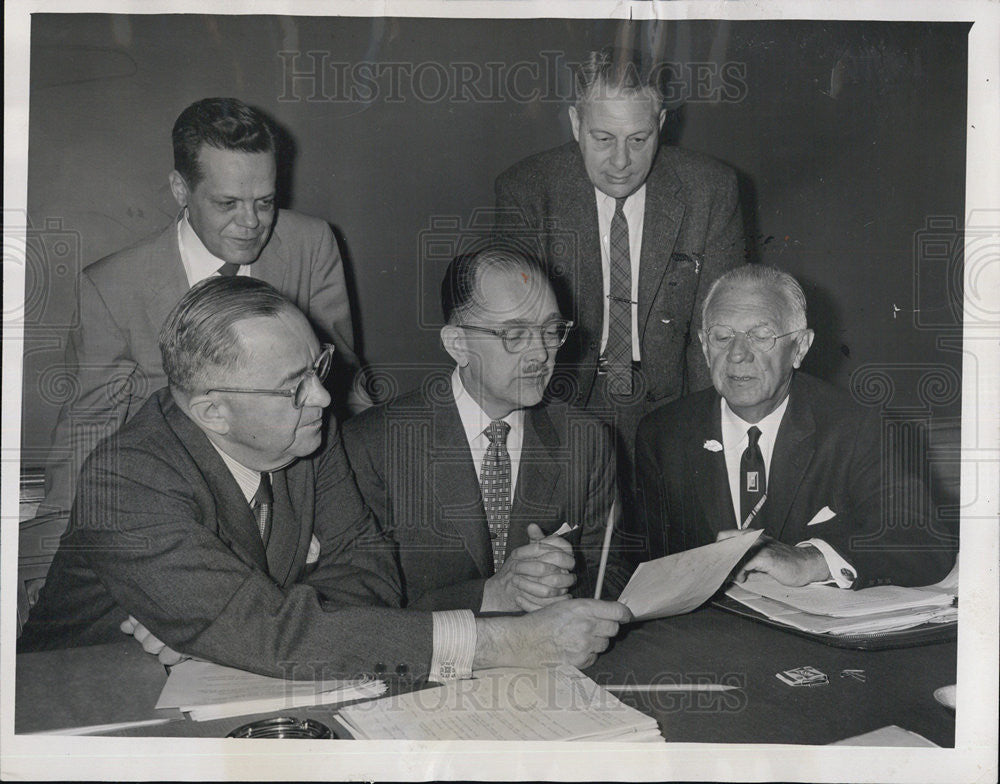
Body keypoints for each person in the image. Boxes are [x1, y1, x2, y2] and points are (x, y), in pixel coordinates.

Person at [18, 277, 630, 680]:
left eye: (319, 366)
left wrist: (230, 630)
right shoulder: (127, 483)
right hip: (84, 697)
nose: (321, 395)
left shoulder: (309, 433)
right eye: (293, 385)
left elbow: (369, 570)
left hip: (232, 678)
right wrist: (507, 643)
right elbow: (276, 632)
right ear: (211, 411)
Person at [26, 97, 365, 557]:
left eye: (264, 202)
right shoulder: (114, 286)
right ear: (181, 190)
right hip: (173, 512)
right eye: (227, 203)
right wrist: (55, 551)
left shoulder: (311, 245)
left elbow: (341, 386)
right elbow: (88, 427)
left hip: (290, 501)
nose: (251, 224)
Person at [495, 47, 745, 490]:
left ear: (662, 125)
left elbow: (717, 331)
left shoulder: (711, 189)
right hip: (561, 399)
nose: (620, 162)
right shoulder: (527, 190)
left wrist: (698, 431)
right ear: (576, 124)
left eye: (638, 139)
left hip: (674, 399)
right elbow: (515, 334)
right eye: (603, 138)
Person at [343, 249, 632, 613]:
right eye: (515, 334)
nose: (541, 354)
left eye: (551, 331)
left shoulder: (586, 439)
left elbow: (613, 574)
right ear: (458, 344)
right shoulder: (373, 445)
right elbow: (359, 608)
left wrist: (563, 585)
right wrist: (492, 594)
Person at [634, 264, 955, 587]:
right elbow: (646, 565)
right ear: (704, 346)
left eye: (761, 336)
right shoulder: (662, 435)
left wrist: (811, 560)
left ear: (800, 347)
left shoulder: (856, 426)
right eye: (722, 336)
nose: (737, 355)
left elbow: (922, 541)